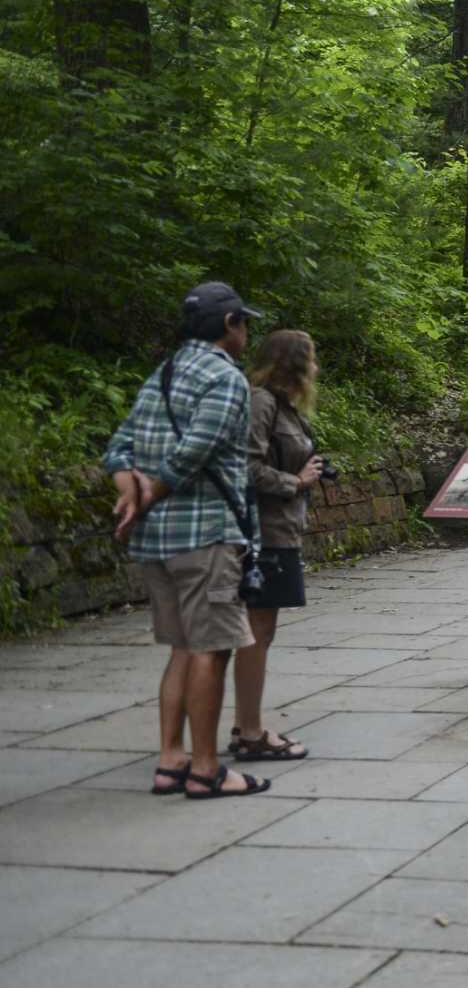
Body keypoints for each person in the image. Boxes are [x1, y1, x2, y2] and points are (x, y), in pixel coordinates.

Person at [103, 281, 273, 800]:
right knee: (211, 649)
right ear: (229, 325)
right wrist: (150, 490)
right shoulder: (225, 378)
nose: (247, 333)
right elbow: (200, 446)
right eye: (245, 323)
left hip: (157, 541)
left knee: (181, 648)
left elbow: (119, 446)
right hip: (205, 535)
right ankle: (206, 770)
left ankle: (170, 760)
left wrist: (130, 491)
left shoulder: (166, 371)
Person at [232, 329, 326, 762]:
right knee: (256, 631)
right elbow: (245, 468)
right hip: (263, 533)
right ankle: (250, 732)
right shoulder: (262, 402)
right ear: (295, 363)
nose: (316, 367)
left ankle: (247, 724)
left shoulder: (287, 408)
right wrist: (295, 481)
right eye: (311, 359)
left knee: (263, 631)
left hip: (283, 531)